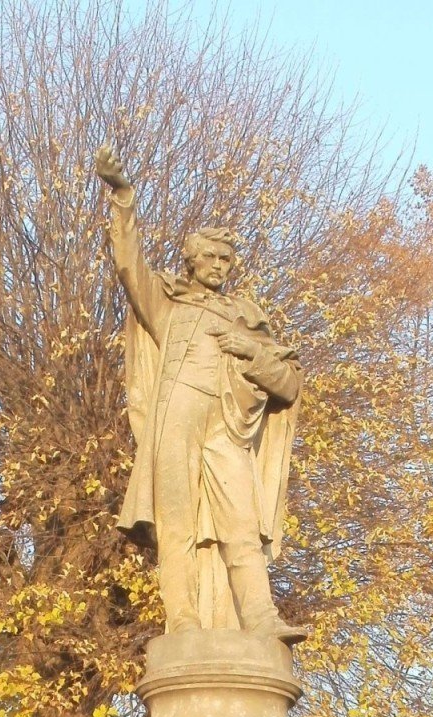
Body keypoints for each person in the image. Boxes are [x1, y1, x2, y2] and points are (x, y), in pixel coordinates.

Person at [95, 144, 304, 641]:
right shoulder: (168, 304)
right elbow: (128, 264)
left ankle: (260, 618)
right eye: (209, 256)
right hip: (176, 418)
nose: (219, 264)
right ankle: (183, 621)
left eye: (227, 259)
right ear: (190, 261)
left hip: (227, 426)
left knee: (242, 524)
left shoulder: (245, 318)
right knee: (177, 525)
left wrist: (250, 351)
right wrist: (123, 196)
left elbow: (289, 386)